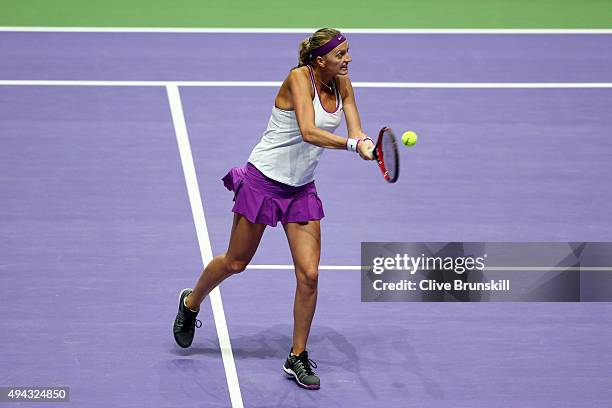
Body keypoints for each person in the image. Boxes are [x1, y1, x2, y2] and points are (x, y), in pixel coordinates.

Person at [172, 28, 374, 390]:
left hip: (301, 190)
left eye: (347, 52)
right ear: (319, 60)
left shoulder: (343, 83)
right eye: (341, 54)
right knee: (236, 262)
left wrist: (365, 142)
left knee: (309, 275)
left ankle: (297, 355)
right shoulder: (299, 78)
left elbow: (356, 128)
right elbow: (309, 131)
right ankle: (191, 302)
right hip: (263, 182)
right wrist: (350, 145)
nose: (348, 60)